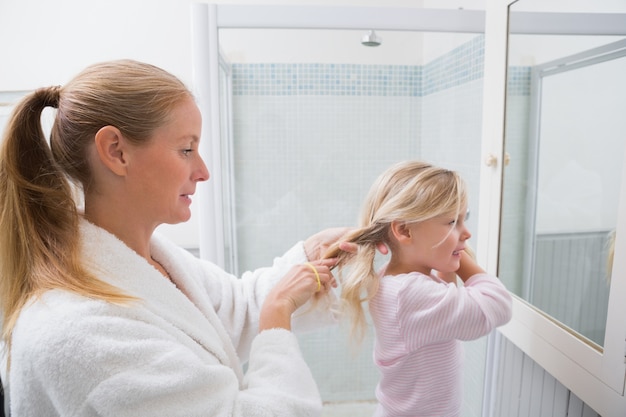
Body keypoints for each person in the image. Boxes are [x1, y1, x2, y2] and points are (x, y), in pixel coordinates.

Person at [0, 59, 355, 417]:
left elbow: (235, 307)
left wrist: (310, 256)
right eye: (187, 149)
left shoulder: (152, 260)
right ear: (115, 151)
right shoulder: (79, 333)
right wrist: (277, 313)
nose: (203, 172)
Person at [328, 160, 513, 417]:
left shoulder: (395, 282)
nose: (466, 232)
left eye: (464, 218)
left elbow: (444, 314)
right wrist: (464, 262)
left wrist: (450, 256)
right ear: (405, 230)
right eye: (452, 222)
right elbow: (497, 305)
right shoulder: (410, 294)